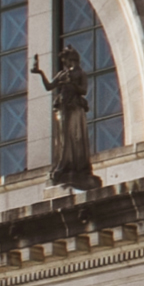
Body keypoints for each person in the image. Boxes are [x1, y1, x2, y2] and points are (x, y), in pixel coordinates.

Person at [34, 45, 98, 191]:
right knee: (63, 137)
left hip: (74, 106)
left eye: (66, 60)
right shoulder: (62, 74)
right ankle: (63, 165)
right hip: (63, 106)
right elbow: (49, 86)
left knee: (74, 135)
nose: (66, 63)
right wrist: (40, 73)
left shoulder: (80, 73)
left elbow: (84, 90)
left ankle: (75, 166)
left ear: (72, 59)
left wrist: (72, 84)